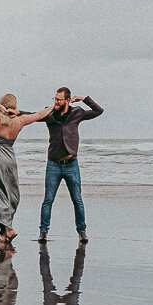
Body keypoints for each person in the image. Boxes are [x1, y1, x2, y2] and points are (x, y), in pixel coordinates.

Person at [0, 94, 50, 247]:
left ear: (2, 104)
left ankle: (8, 228)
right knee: (8, 194)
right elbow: (40, 114)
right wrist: (55, 106)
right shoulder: (20, 121)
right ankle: (4, 232)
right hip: (9, 159)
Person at [37, 86, 102, 243]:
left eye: (59, 99)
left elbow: (98, 111)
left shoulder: (77, 113)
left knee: (77, 200)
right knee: (48, 200)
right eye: (55, 99)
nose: (56, 101)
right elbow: (32, 116)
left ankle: (82, 232)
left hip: (71, 164)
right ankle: (43, 232)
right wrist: (17, 113)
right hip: (53, 164)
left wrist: (84, 99)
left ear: (67, 100)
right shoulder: (50, 113)